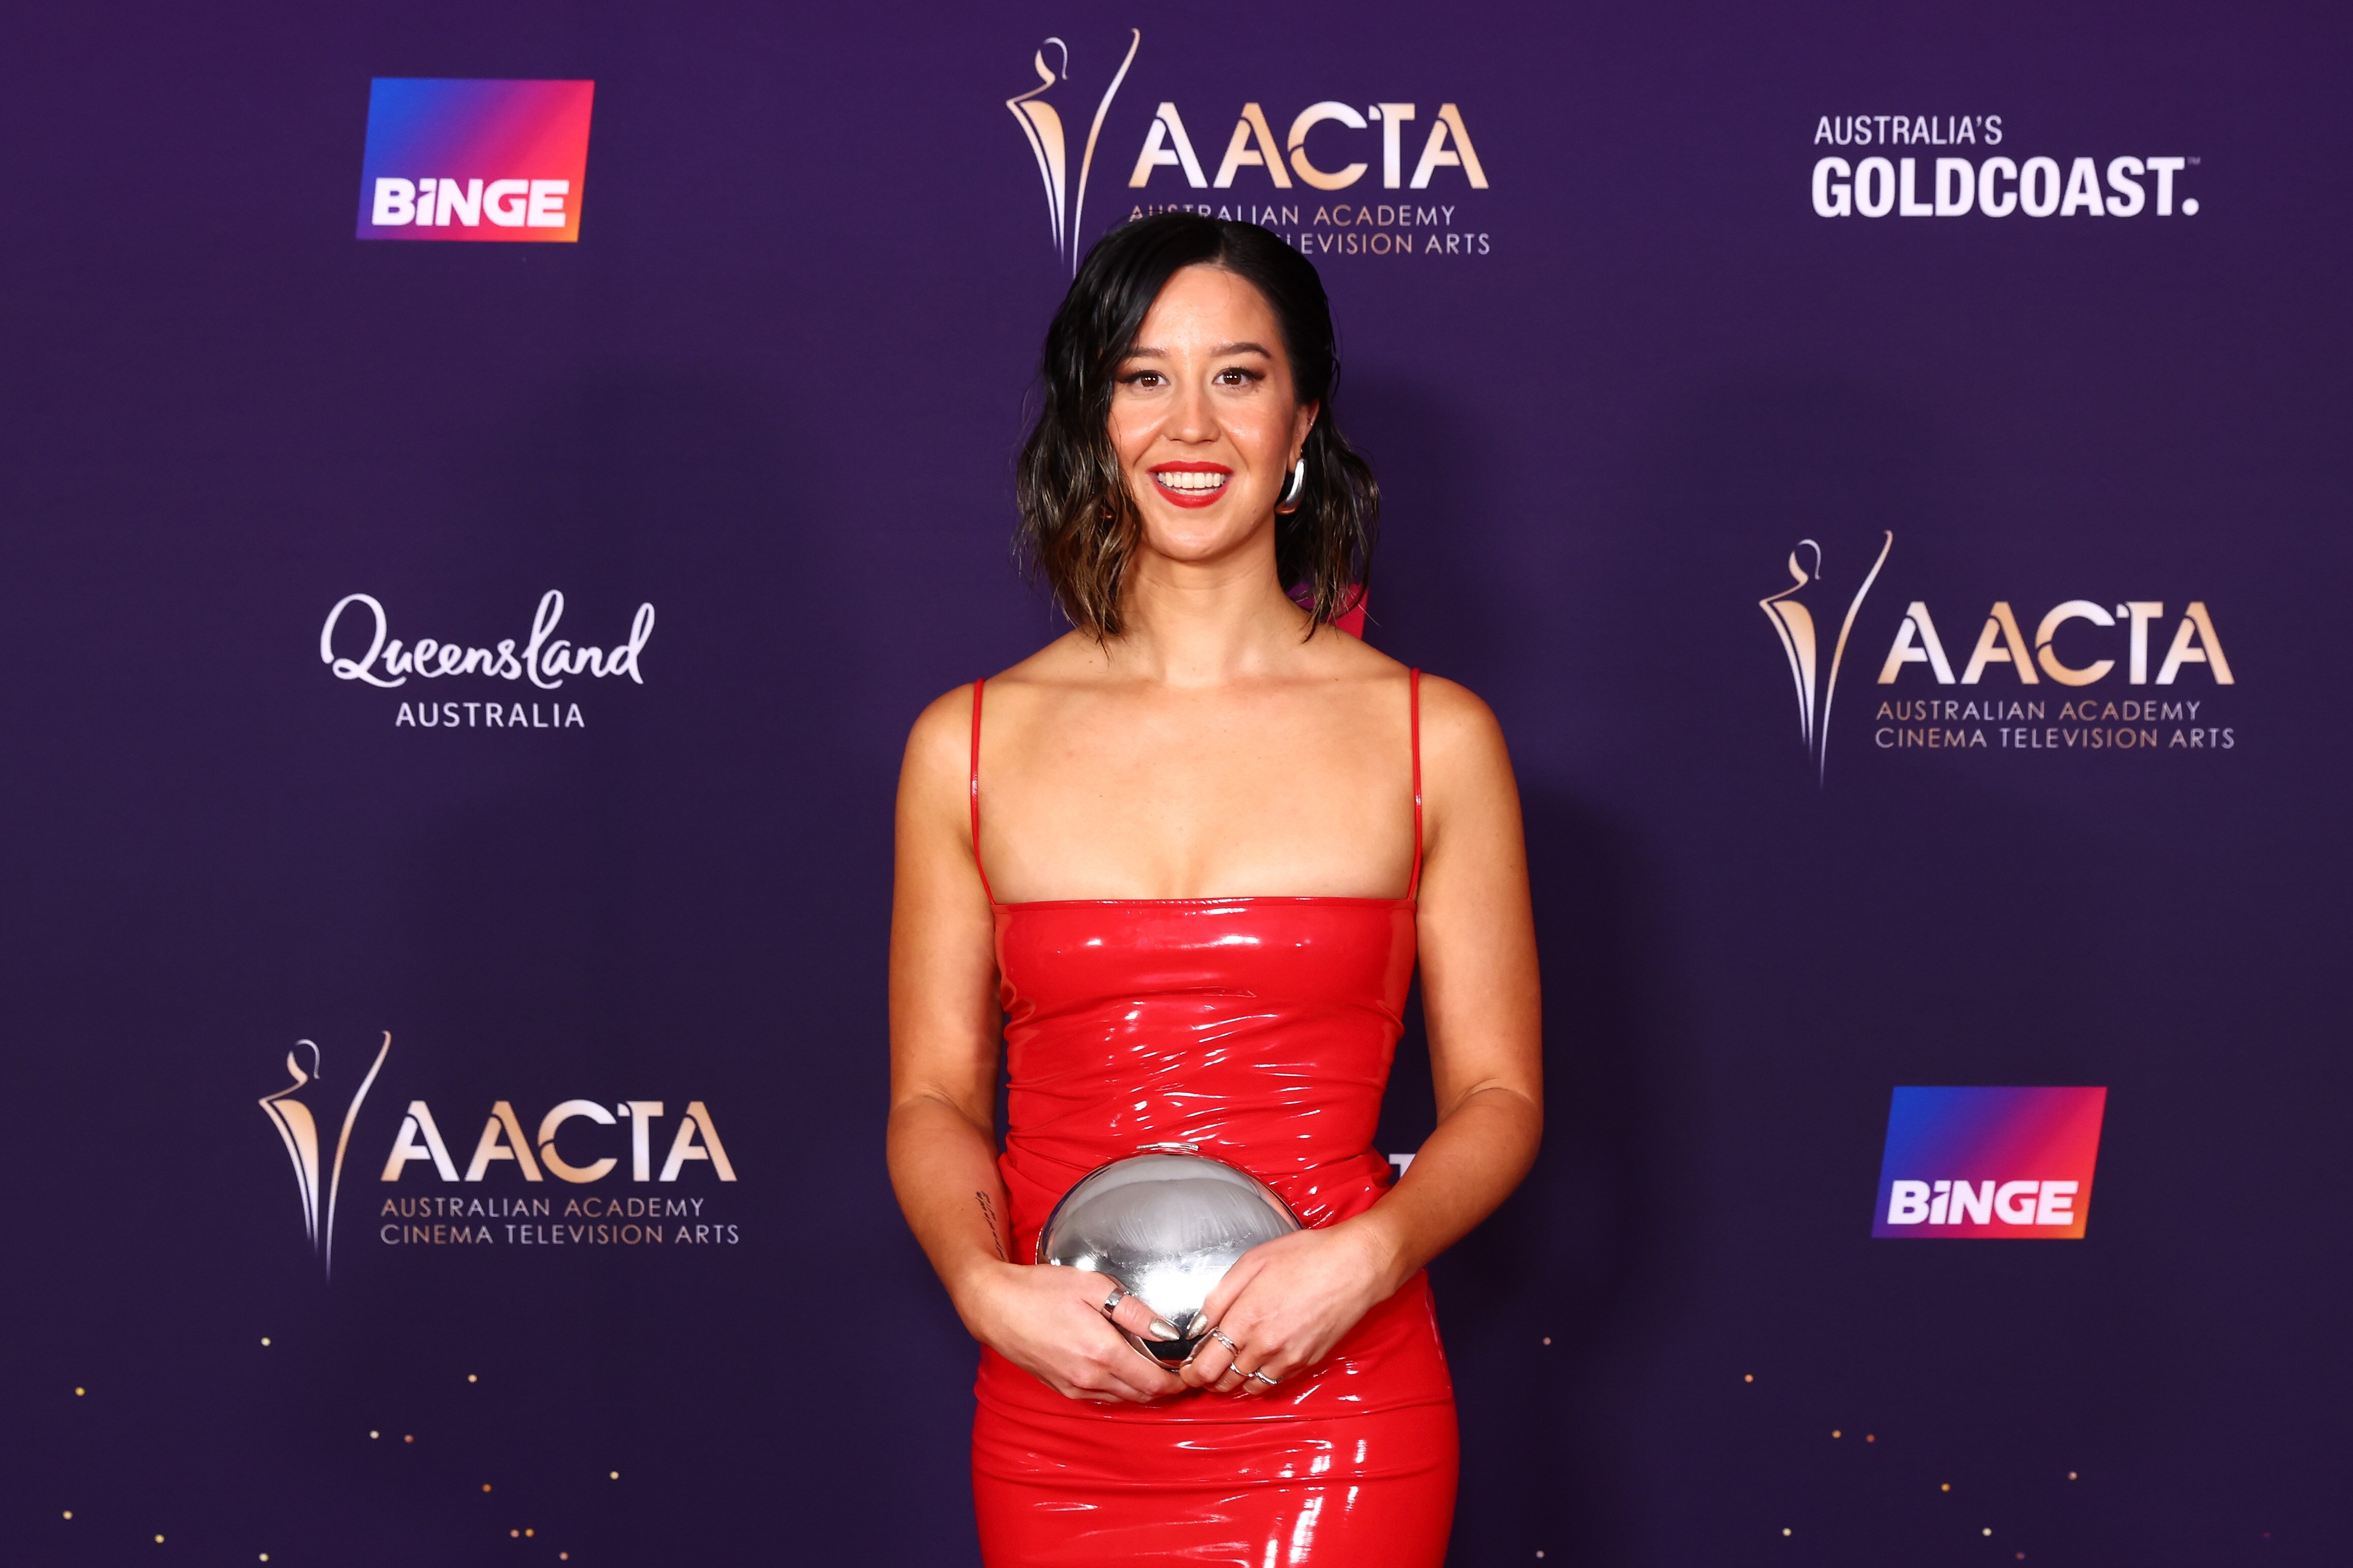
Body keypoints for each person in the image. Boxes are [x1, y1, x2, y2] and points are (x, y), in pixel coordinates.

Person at [888, 213, 1542, 1567]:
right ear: (1094, 418)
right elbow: (933, 1101)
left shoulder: (1435, 738)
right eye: (1144, 377)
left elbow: (1500, 1101)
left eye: (1236, 376)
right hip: (1060, 1402)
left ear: (1302, 417)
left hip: (1338, 1402)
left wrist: (1368, 1256)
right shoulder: (966, 743)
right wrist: (978, 1285)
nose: (1191, 426)